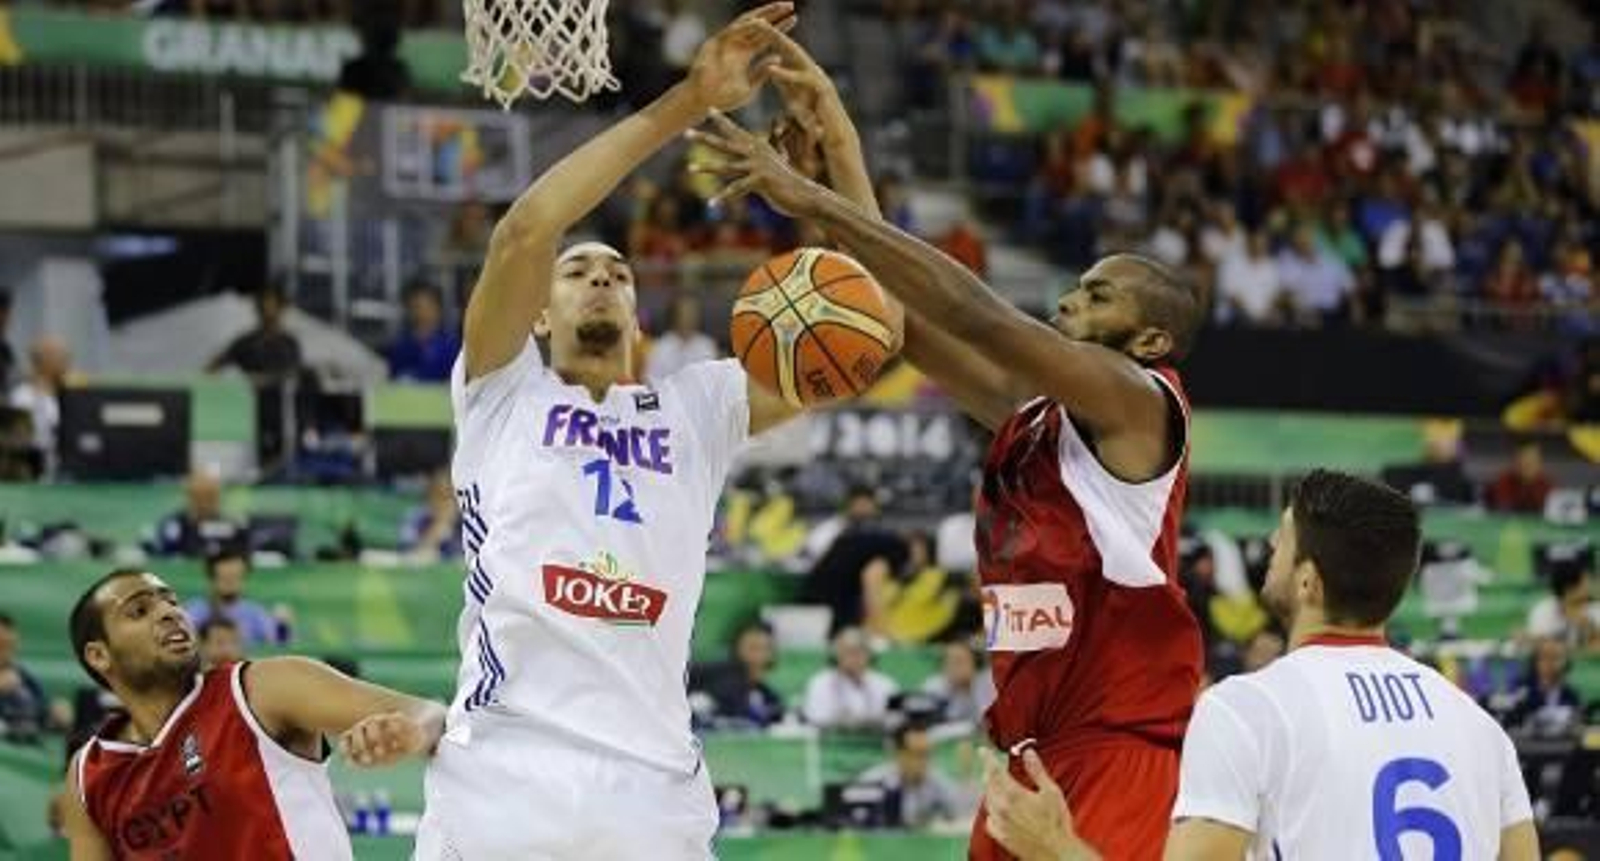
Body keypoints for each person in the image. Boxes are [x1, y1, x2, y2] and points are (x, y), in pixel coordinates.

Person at [692, 29, 1203, 859]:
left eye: (1097, 294)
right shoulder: (1038, 414)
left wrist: (814, 199)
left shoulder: (1142, 403)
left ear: (1149, 341)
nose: (1071, 300)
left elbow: (977, 317)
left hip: (1118, 743)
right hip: (1032, 752)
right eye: (1076, 285)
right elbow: (896, 318)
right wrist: (838, 149)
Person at [411, 8, 883, 860]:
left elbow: (863, 336)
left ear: (639, 317)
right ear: (540, 318)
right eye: (578, 272)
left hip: (654, 787)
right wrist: (691, 101)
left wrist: (836, 166)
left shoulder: (696, 408)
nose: (600, 277)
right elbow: (526, 228)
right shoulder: (498, 390)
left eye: (618, 274)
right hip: (507, 766)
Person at [975, 470, 1540, 860]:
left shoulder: (1247, 708)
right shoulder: (1479, 728)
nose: (1271, 541)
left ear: (1308, 580)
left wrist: (1057, 847)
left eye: (1285, 538)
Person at [59, 568, 446, 860]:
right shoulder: (88, 777)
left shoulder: (263, 688)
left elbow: (431, 713)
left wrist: (412, 732)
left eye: (171, 601)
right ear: (99, 655)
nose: (167, 613)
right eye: (140, 610)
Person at [857, 722, 969, 829]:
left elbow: (959, 819)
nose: (924, 761)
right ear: (898, 753)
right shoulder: (872, 782)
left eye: (926, 753)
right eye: (917, 754)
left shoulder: (938, 782)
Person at [182, 549, 290, 648]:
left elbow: (277, 643)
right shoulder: (196, 611)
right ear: (212, 578)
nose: (231, 583)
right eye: (225, 578)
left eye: (236, 577)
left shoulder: (254, 612)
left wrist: (283, 626)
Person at [800, 626, 899, 731]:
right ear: (836, 654)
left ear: (870, 655)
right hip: (833, 741)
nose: (855, 657)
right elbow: (816, 719)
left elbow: (895, 719)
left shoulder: (885, 684)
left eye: (860, 651)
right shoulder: (820, 683)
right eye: (849, 652)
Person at [691, 621, 784, 727]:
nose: (759, 656)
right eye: (753, 648)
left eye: (766, 648)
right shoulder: (720, 680)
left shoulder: (766, 693)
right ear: (737, 649)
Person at [149, 470, 246, 559]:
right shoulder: (172, 525)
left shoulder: (232, 526)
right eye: (198, 496)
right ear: (188, 496)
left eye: (210, 496)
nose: (204, 503)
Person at [387, 281, 460, 382]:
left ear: (439, 310)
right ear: (408, 310)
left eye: (428, 307)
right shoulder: (400, 347)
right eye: (416, 307)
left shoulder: (451, 347)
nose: (422, 314)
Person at [1524, 555, 1600, 653]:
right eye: (1585, 582)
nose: (1590, 585)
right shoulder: (1542, 611)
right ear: (1569, 589)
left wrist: (1589, 628)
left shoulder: (1596, 609)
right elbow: (1540, 650)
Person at [644, 293, 719, 383]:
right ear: (674, 316)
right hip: (668, 395)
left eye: (692, 313)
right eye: (684, 313)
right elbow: (651, 381)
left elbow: (713, 380)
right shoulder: (659, 347)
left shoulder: (707, 345)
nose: (688, 317)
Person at [0, 611, 51, 743]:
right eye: (2, 646)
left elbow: (42, 704)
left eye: (9, 646)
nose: (6, 653)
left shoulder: (21, 673)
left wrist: (54, 712)